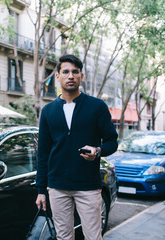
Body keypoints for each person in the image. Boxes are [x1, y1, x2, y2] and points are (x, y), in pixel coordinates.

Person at [35, 54, 118, 240]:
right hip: (57, 187)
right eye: (65, 72)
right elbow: (43, 154)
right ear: (57, 76)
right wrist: (41, 190)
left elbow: (112, 141)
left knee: (93, 237)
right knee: (64, 237)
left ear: (81, 76)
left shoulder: (97, 107)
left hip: (87, 186)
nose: (70, 76)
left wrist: (98, 151)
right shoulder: (48, 111)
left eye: (75, 72)